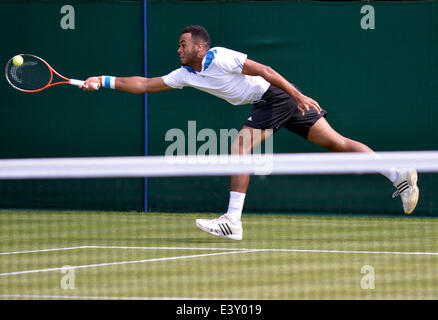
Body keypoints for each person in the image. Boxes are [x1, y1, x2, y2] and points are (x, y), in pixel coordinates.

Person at [82, 25, 419, 241]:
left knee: (239, 149)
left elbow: (266, 70)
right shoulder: (186, 73)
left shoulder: (220, 57)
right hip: (278, 101)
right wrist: (104, 79)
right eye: (179, 46)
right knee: (338, 143)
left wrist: (298, 95)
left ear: (200, 47)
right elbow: (143, 84)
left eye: (183, 45)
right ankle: (398, 173)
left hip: (275, 96)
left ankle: (232, 220)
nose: (178, 49)